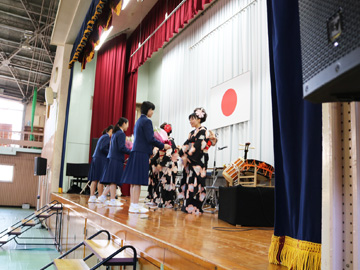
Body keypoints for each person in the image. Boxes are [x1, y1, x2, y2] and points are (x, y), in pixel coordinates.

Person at [121, 101, 171, 213]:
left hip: (135, 152)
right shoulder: (147, 121)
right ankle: (134, 206)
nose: (153, 112)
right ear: (148, 110)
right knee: (137, 180)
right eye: (152, 110)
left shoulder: (138, 121)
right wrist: (163, 145)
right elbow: (150, 139)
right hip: (141, 153)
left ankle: (133, 205)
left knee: (134, 181)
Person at [179, 107, 214, 214]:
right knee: (190, 183)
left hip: (199, 161)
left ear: (199, 119)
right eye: (190, 119)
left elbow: (199, 146)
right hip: (191, 161)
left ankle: (195, 207)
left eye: (192, 119)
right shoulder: (192, 133)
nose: (190, 121)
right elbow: (186, 145)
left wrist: (188, 155)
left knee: (197, 183)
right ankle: (188, 205)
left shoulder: (204, 131)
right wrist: (181, 152)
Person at [97, 118, 131, 206]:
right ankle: (112, 200)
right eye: (127, 124)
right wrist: (131, 152)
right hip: (116, 159)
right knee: (114, 180)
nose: (128, 126)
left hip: (112, 158)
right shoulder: (121, 134)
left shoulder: (116, 133)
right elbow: (121, 148)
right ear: (124, 123)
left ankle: (103, 197)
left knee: (113, 180)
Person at [147, 123, 178, 208]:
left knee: (168, 183)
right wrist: (151, 161)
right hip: (163, 165)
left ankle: (168, 202)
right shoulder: (162, 142)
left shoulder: (170, 141)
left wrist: (161, 163)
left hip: (169, 166)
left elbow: (169, 154)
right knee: (161, 183)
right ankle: (159, 200)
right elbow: (157, 154)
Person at [88, 125, 113, 203]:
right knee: (100, 179)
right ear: (110, 130)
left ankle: (92, 196)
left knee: (94, 178)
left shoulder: (102, 137)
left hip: (96, 158)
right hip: (100, 159)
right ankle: (100, 197)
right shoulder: (106, 137)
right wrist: (110, 153)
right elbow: (103, 148)